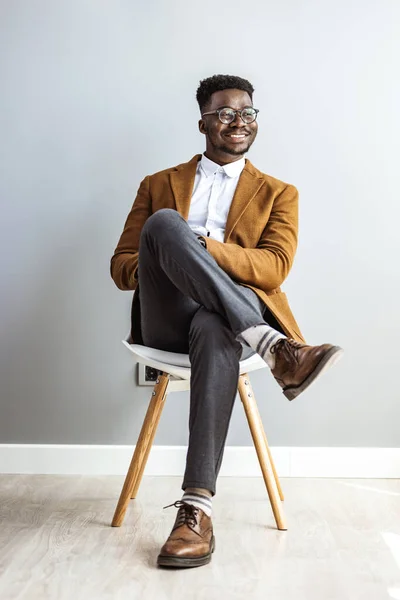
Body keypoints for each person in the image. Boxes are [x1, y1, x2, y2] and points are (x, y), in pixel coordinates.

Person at [110, 74, 343, 569]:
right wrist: (168, 257)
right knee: (164, 224)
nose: (239, 121)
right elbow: (122, 267)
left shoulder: (280, 193)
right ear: (203, 122)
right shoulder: (157, 185)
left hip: (222, 325)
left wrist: (205, 253)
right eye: (225, 112)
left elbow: (274, 266)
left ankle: (196, 511)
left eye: (248, 113)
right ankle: (276, 348)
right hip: (166, 315)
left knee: (218, 326)